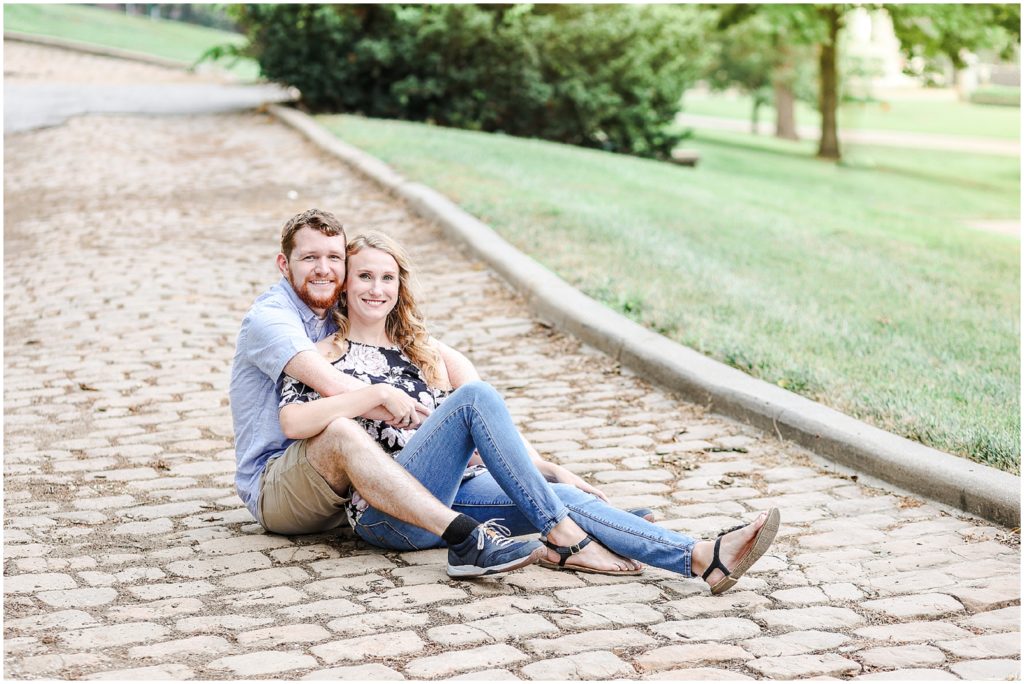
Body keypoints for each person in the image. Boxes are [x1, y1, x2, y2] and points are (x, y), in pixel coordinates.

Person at [277, 229, 781, 589]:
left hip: (453, 492)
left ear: (400, 287)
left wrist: (550, 467)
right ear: (344, 285)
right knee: (478, 399)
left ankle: (699, 558)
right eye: (364, 275)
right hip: (387, 514)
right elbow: (295, 422)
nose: (376, 288)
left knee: (562, 494)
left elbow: (493, 431)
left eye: (387, 277)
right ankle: (566, 535)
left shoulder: (425, 353)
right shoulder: (323, 357)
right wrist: (369, 398)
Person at [230, 209, 545, 578]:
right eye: (309, 258)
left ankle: (604, 525)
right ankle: (465, 537)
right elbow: (332, 387)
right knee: (342, 430)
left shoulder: (336, 304)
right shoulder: (271, 319)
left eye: (333, 258)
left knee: (534, 491)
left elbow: (437, 353)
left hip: (357, 486)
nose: (323, 268)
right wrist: (406, 410)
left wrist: (494, 431)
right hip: (280, 483)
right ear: (284, 264)